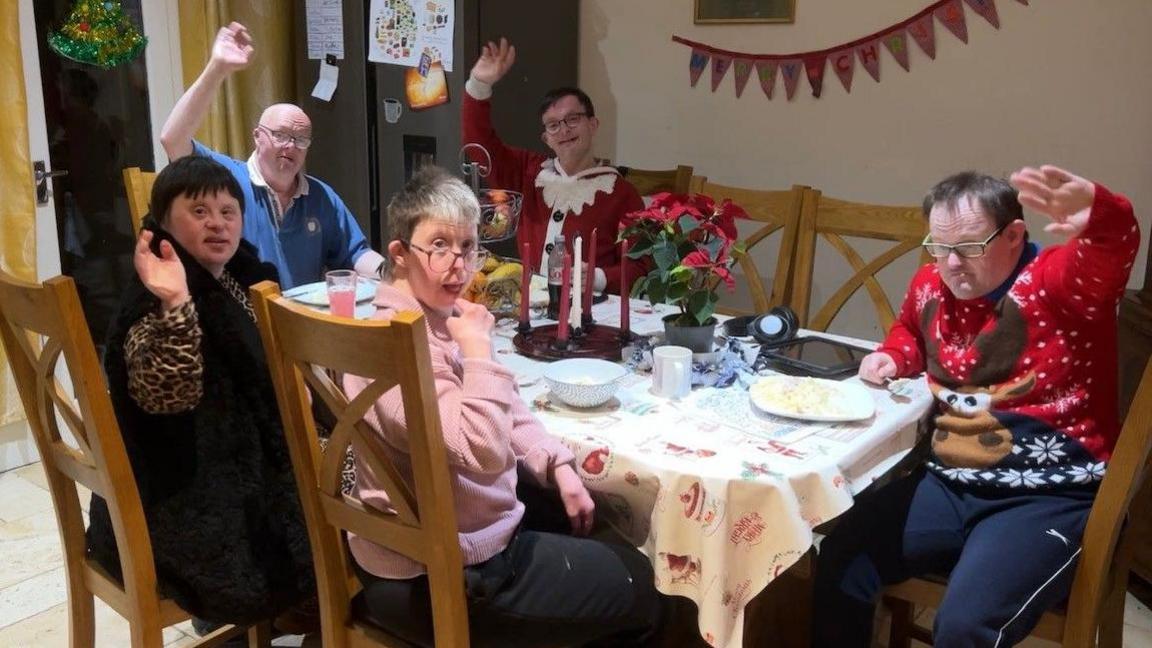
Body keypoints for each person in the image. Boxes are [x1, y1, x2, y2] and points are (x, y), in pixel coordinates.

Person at [811, 165, 1140, 647]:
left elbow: (1114, 248)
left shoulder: (1057, 283)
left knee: (965, 628)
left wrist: (1103, 214)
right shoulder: (930, 283)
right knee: (841, 555)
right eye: (939, 248)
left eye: (968, 247)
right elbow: (910, 331)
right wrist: (893, 355)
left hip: (1045, 498)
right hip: (948, 482)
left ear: (1014, 235)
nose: (952, 264)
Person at [342, 166, 664, 647]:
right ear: (400, 255)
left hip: (450, 536)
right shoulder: (397, 344)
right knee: (648, 589)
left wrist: (557, 463)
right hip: (438, 574)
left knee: (592, 518)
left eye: (468, 246)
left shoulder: (432, 317)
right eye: (438, 246)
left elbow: (506, 405)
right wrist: (477, 351)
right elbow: (483, 449)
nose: (459, 264)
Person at [85, 156, 315, 628]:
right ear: (162, 222)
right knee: (364, 497)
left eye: (228, 211)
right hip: (187, 509)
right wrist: (175, 302)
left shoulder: (229, 274)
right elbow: (165, 395)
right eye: (199, 211)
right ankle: (329, 611)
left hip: (227, 471)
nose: (217, 223)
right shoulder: (156, 292)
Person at [160, 22, 383, 290]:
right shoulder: (225, 181)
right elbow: (173, 140)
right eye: (280, 135)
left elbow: (357, 254)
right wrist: (218, 67)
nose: (290, 146)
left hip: (301, 322)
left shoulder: (321, 197)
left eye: (301, 140)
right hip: (242, 322)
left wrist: (397, 271)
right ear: (257, 136)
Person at [464, 38, 644, 294]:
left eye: (573, 119)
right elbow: (478, 149)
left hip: (593, 311)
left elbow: (640, 268)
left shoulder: (622, 193)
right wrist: (479, 85)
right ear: (546, 138)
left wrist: (599, 278)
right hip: (530, 308)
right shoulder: (528, 172)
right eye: (553, 125)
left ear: (593, 125)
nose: (564, 130)